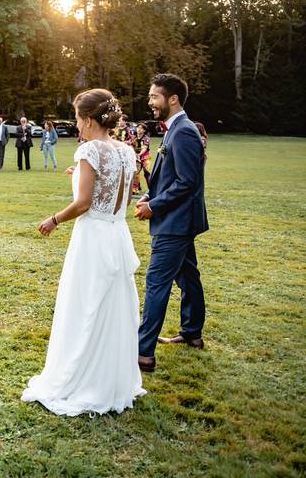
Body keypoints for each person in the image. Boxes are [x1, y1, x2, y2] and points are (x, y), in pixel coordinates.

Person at [24, 88, 143, 416]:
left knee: (84, 304)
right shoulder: (125, 151)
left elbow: (85, 203)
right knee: (111, 305)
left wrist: (54, 219)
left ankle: (83, 381)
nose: (76, 126)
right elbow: (115, 193)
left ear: (90, 120)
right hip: (117, 233)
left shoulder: (90, 149)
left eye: (78, 119)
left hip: (92, 236)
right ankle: (113, 380)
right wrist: (78, 176)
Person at [134, 73, 208, 374]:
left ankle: (143, 353)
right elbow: (169, 177)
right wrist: (149, 195)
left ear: (172, 98)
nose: (150, 102)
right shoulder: (174, 130)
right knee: (187, 276)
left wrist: (154, 205)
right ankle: (192, 334)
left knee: (156, 283)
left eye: (154, 97)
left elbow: (187, 183)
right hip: (177, 220)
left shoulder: (184, 132)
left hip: (175, 223)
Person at [131, 123, 151, 194]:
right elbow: (131, 146)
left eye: (141, 128)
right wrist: (135, 155)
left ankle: (151, 189)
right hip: (136, 156)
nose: (139, 129)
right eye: (138, 127)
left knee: (147, 173)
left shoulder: (146, 138)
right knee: (136, 172)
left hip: (145, 157)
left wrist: (139, 154)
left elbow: (144, 148)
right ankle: (136, 189)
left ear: (144, 131)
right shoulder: (133, 137)